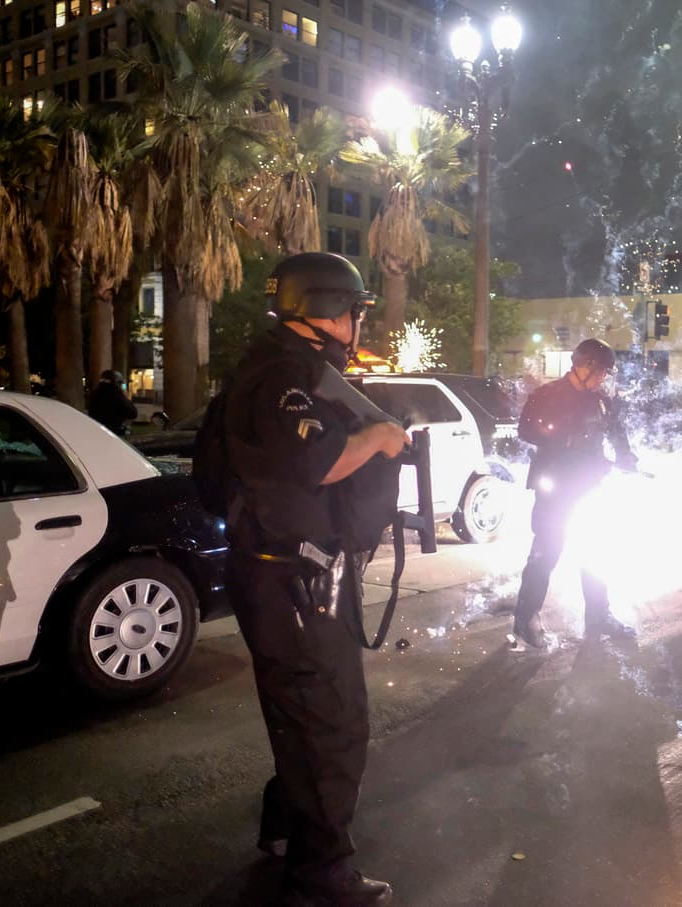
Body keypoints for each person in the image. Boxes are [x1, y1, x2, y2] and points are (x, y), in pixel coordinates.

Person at [219, 252, 408, 906]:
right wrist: (380, 437)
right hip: (295, 582)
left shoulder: (279, 363)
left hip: (284, 575)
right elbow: (314, 459)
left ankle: (285, 832)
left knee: (296, 713)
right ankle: (322, 875)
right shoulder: (285, 375)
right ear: (332, 311)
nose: (359, 322)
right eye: (356, 310)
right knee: (329, 724)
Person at [512, 338, 638, 647]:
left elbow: (616, 431)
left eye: (607, 374)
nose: (603, 379)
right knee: (546, 553)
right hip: (555, 488)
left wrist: (626, 456)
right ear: (583, 366)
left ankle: (599, 615)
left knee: (595, 551)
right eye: (600, 372)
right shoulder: (547, 395)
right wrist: (565, 437)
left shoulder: (602, 400)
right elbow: (526, 430)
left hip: (589, 484)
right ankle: (525, 619)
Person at [87, 368, 138, 436]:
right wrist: (125, 397)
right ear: (116, 382)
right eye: (120, 383)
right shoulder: (117, 395)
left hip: (96, 432)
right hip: (114, 433)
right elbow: (133, 413)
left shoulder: (94, 394)